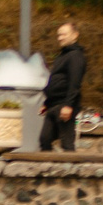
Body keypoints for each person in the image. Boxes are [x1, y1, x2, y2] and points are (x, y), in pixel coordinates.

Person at [41, 21, 86, 152]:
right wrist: (46, 103)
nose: (60, 38)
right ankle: (48, 165)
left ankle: (71, 164)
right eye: (59, 35)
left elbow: (74, 82)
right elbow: (56, 81)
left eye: (64, 34)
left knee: (67, 143)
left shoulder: (76, 56)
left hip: (64, 106)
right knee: (44, 139)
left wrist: (68, 105)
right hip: (53, 106)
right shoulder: (62, 56)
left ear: (75, 35)